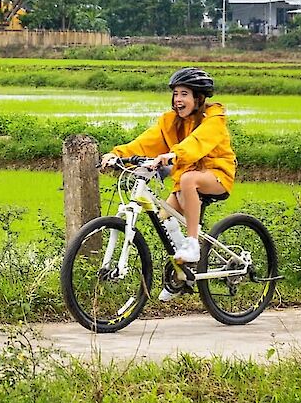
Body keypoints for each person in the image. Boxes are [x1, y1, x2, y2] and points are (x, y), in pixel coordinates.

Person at [101, 67, 236, 289]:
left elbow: (199, 142)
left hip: (217, 175)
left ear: (199, 97)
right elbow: (145, 143)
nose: (178, 99)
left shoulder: (214, 119)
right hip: (186, 177)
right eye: (175, 94)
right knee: (165, 216)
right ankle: (184, 275)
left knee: (188, 180)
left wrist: (174, 155)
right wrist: (117, 154)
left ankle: (193, 243)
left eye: (184, 94)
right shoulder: (171, 121)